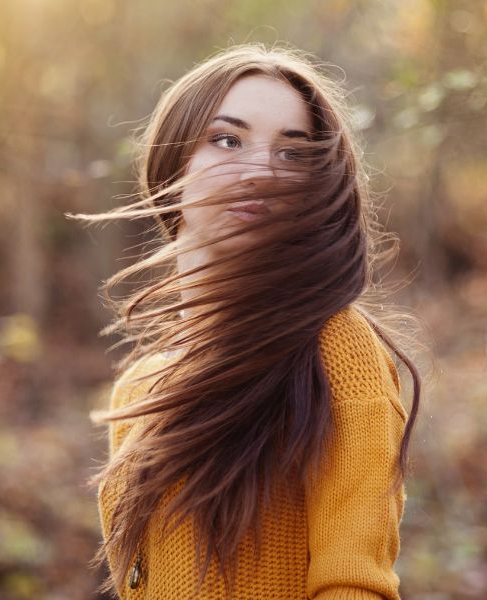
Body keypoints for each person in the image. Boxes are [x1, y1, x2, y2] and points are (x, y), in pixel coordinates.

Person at [68, 42, 422, 600]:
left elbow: (355, 583)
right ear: (171, 161)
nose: (261, 169)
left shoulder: (334, 346)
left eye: (293, 153)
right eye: (227, 140)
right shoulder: (139, 388)